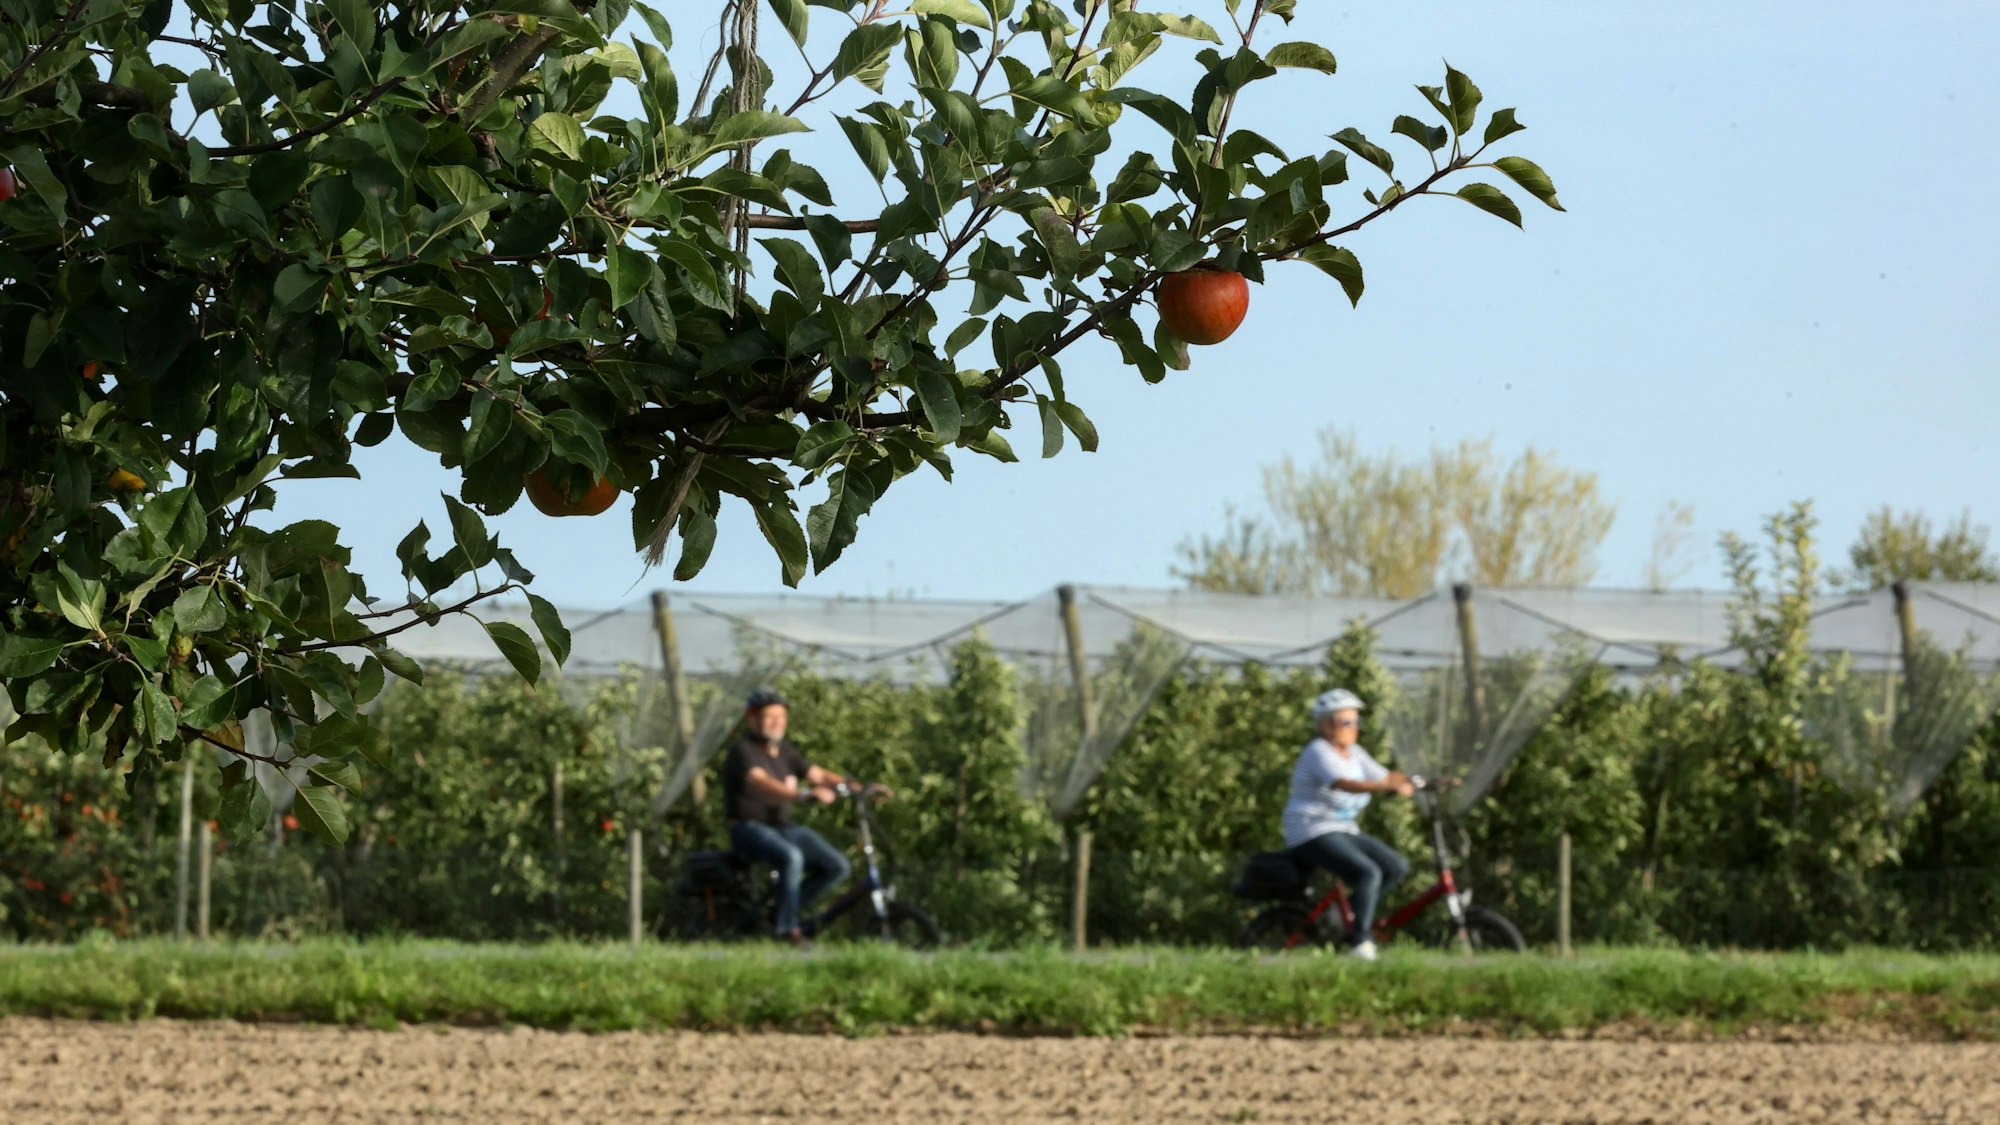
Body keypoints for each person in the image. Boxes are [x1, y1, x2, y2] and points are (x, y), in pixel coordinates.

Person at [1282, 688, 1414, 961]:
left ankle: (1338, 919)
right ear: (1326, 725)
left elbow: (1385, 775)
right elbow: (1345, 783)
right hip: (1310, 830)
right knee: (1367, 872)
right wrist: (1386, 786)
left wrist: (1415, 782)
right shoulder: (1318, 751)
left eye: (1356, 722)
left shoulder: (1355, 752)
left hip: (1342, 830)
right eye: (1347, 722)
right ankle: (1360, 942)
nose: (1354, 728)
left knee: (1395, 867)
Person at [720, 687, 855, 948]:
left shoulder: (786, 752)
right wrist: (802, 795)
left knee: (838, 866)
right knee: (792, 856)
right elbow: (761, 782)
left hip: (783, 828)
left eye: (781, 717)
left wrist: (858, 788)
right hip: (747, 829)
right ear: (752, 719)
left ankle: (780, 909)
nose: (777, 723)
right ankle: (786, 929)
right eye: (770, 717)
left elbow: (819, 775)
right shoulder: (743, 751)